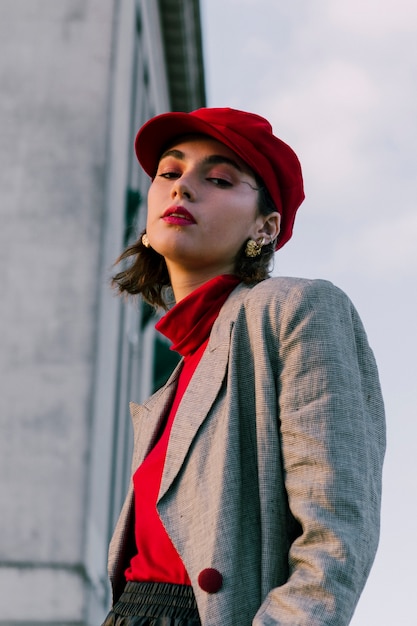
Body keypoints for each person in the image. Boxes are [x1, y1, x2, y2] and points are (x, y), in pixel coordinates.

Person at [101, 107, 386, 626]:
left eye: (218, 179)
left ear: (265, 226)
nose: (182, 188)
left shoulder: (293, 308)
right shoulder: (175, 382)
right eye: (169, 172)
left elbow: (335, 535)